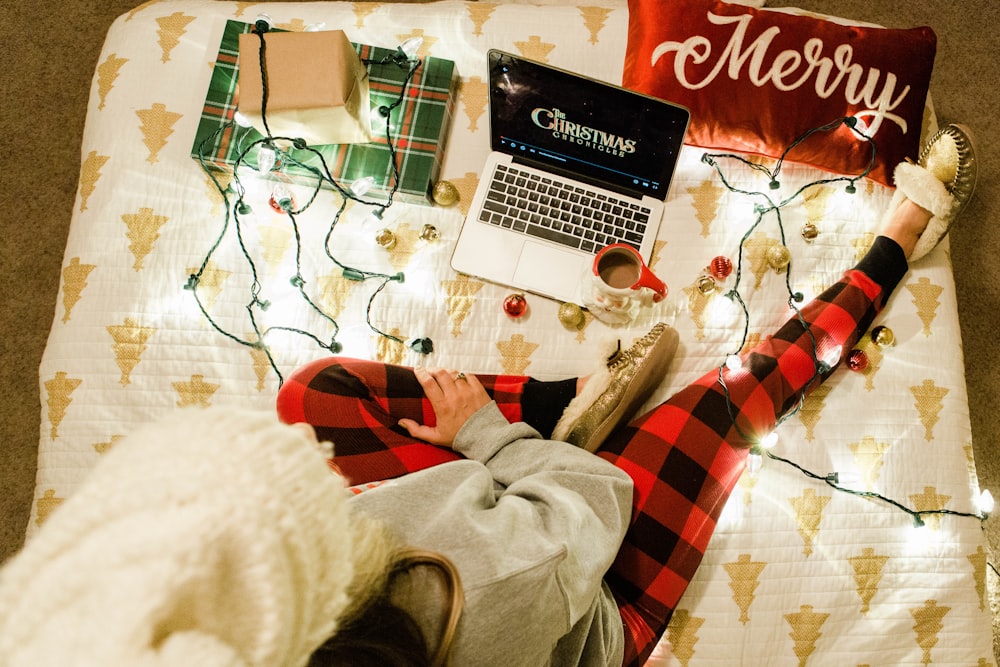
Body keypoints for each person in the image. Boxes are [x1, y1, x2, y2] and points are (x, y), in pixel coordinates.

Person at [0, 125, 975, 667]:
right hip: (586, 581)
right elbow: (599, 506)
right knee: (733, 399)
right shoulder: (497, 588)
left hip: (443, 534)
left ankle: (561, 405)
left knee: (316, 391)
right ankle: (900, 240)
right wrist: (484, 435)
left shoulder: (286, 600)